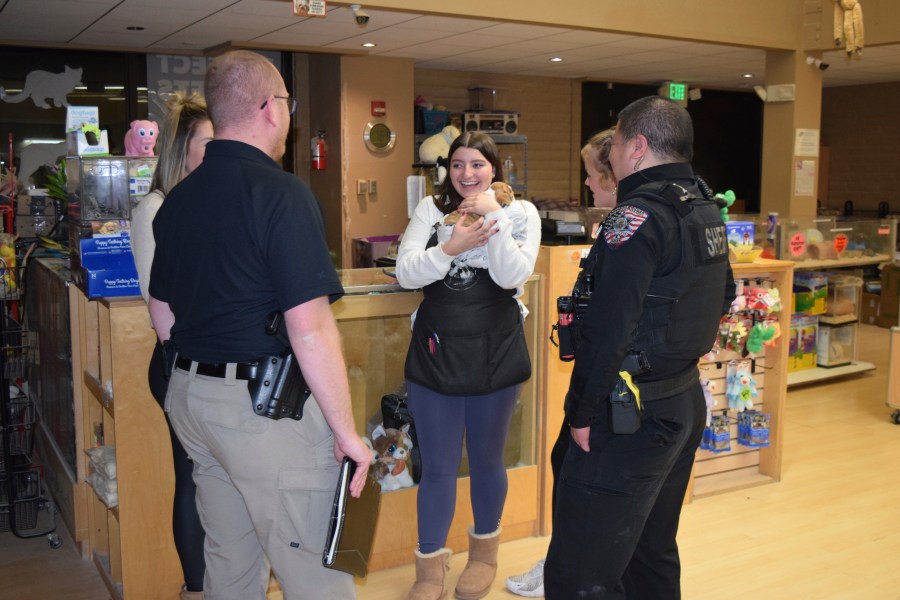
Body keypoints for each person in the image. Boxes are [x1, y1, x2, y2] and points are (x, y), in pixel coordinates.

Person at [147, 50, 371, 599]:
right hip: (262, 412)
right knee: (320, 575)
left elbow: (162, 312)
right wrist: (348, 435)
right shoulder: (281, 194)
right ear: (272, 109)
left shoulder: (176, 200)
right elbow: (311, 328)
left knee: (231, 563)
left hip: (193, 402)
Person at [543, 96, 735, 599]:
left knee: (582, 574)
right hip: (681, 400)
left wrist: (582, 412)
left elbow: (611, 329)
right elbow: (726, 294)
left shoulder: (637, 216)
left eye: (620, 141)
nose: (616, 154)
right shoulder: (704, 205)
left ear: (639, 146)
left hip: (629, 414)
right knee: (649, 554)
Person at [395, 131, 541, 600]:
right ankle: (429, 567)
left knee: (486, 460)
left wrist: (493, 218)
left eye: (477, 164)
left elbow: (512, 275)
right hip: (436, 353)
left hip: (495, 353)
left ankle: (483, 556)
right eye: (458, 164)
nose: (466, 174)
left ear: (495, 169)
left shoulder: (521, 214)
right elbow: (406, 272)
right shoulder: (431, 212)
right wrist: (451, 247)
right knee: (437, 466)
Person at [505, 127, 617, 599]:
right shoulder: (613, 226)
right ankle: (559, 560)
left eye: (593, 175)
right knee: (562, 461)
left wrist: (585, 411)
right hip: (602, 385)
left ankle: (564, 568)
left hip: (615, 393)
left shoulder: (634, 229)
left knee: (578, 475)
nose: (588, 185)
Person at [130, 91, 213, 600]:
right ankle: (197, 588)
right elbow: (157, 300)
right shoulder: (154, 208)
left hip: (218, 360)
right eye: (208, 142)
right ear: (182, 147)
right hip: (179, 361)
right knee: (193, 477)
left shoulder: (212, 201)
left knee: (220, 482)